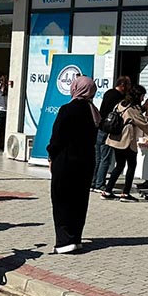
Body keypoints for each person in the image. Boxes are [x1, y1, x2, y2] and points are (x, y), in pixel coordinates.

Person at [48, 76, 101, 254]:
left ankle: (64, 241)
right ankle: (76, 238)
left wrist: (51, 156)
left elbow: (57, 137)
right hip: (86, 162)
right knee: (79, 201)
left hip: (66, 161)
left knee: (62, 200)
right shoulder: (93, 112)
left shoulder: (67, 110)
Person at [102, 88, 148, 202]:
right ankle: (125, 193)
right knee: (131, 165)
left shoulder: (121, 104)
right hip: (126, 140)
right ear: (137, 96)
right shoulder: (133, 108)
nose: (143, 98)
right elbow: (143, 124)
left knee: (119, 165)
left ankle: (107, 191)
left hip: (115, 138)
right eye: (142, 96)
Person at [92, 76, 131, 192]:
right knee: (105, 159)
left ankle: (93, 182)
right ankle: (100, 184)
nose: (129, 88)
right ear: (123, 85)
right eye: (128, 85)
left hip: (100, 127)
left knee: (98, 157)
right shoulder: (120, 98)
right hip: (109, 130)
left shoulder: (108, 93)